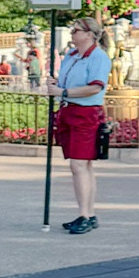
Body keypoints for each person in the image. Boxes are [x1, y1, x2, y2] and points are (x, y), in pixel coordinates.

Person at [53, 16, 111, 234]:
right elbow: (65, 81)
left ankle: (84, 215)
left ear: (89, 34)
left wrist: (64, 92)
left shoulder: (98, 57)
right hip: (70, 110)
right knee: (83, 165)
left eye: (76, 30)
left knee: (79, 164)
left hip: (85, 112)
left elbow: (95, 87)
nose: (72, 33)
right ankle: (89, 212)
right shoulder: (72, 55)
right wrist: (58, 85)